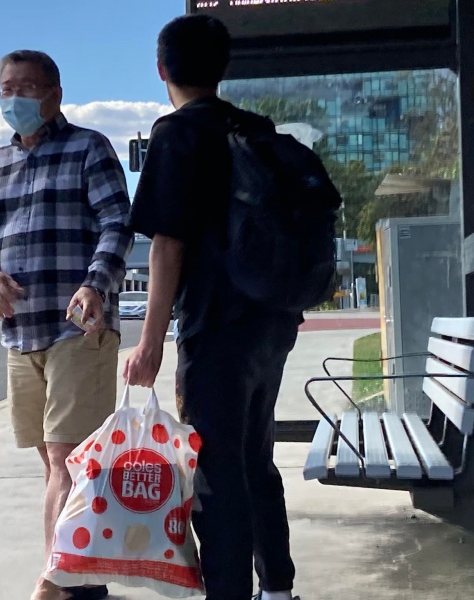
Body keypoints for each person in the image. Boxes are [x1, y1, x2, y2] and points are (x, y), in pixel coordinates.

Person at [123, 15, 302, 600]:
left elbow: (167, 245)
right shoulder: (255, 129)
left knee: (217, 474)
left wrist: (150, 341)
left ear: (161, 70)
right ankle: (277, 586)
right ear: (224, 67)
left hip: (216, 325)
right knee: (255, 456)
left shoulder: (176, 133)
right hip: (271, 321)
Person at [0, 50, 132, 600]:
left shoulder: (88, 149)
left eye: (27, 87)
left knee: (65, 459)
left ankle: (53, 582)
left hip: (79, 328)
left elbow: (117, 222)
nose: (15, 98)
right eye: (6, 88)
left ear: (54, 94)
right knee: (56, 465)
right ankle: (85, 582)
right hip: (20, 334)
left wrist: (95, 282)